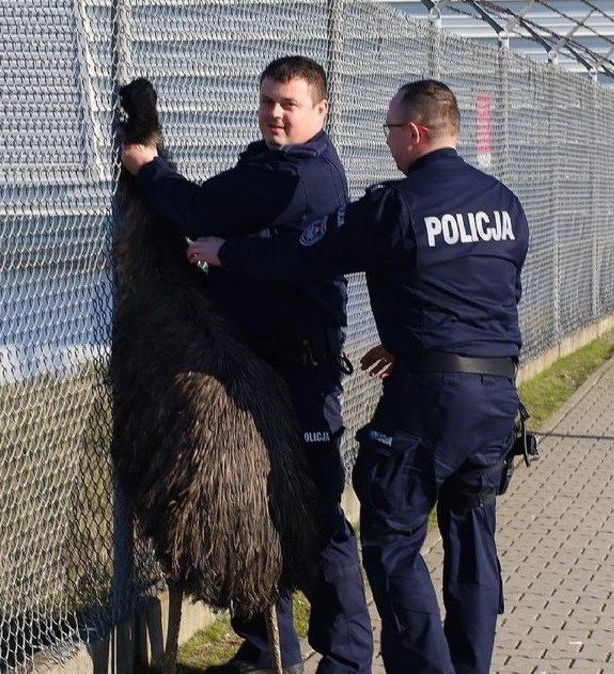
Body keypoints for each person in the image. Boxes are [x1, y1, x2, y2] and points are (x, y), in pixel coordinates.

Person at [186, 79, 529, 674]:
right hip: (497, 394)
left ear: (416, 133)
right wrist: (415, 344)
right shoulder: (504, 203)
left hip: (429, 404)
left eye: (392, 131)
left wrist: (225, 252)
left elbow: (303, 255)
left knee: (394, 545)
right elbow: (486, 293)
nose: (389, 142)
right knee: (473, 542)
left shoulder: (395, 206)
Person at [120, 55, 372, 674]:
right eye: (268, 101)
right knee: (253, 501)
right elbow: (213, 210)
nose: (276, 113)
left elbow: (204, 211)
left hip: (298, 366)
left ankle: (347, 654)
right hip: (255, 354)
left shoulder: (298, 176)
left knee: (311, 505)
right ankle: (266, 650)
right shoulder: (268, 163)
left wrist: (152, 170)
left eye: (289, 103)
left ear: (321, 110)